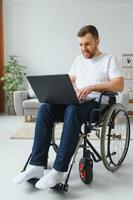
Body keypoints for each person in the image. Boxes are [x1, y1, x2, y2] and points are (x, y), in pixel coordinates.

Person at [13, 25, 124, 189]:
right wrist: (60, 89)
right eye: (80, 45)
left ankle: (59, 171)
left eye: (87, 44)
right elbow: (70, 79)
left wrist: (91, 87)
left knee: (72, 111)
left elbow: (119, 85)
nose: (83, 48)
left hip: (96, 105)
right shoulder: (78, 60)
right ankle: (36, 166)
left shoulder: (108, 59)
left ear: (97, 41)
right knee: (45, 108)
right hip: (75, 101)